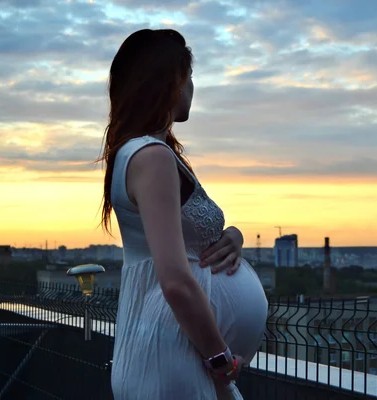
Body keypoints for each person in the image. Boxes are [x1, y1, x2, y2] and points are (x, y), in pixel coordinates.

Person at [100, 29, 268, 399]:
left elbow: (186, 236)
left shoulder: (144, 153)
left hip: (175, 352)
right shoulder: (152, 157)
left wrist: (233, 236)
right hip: (176, 355)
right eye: (189, 77)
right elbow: (174, 279)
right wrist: (220, 359)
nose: (193, 86)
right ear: (171, 82)